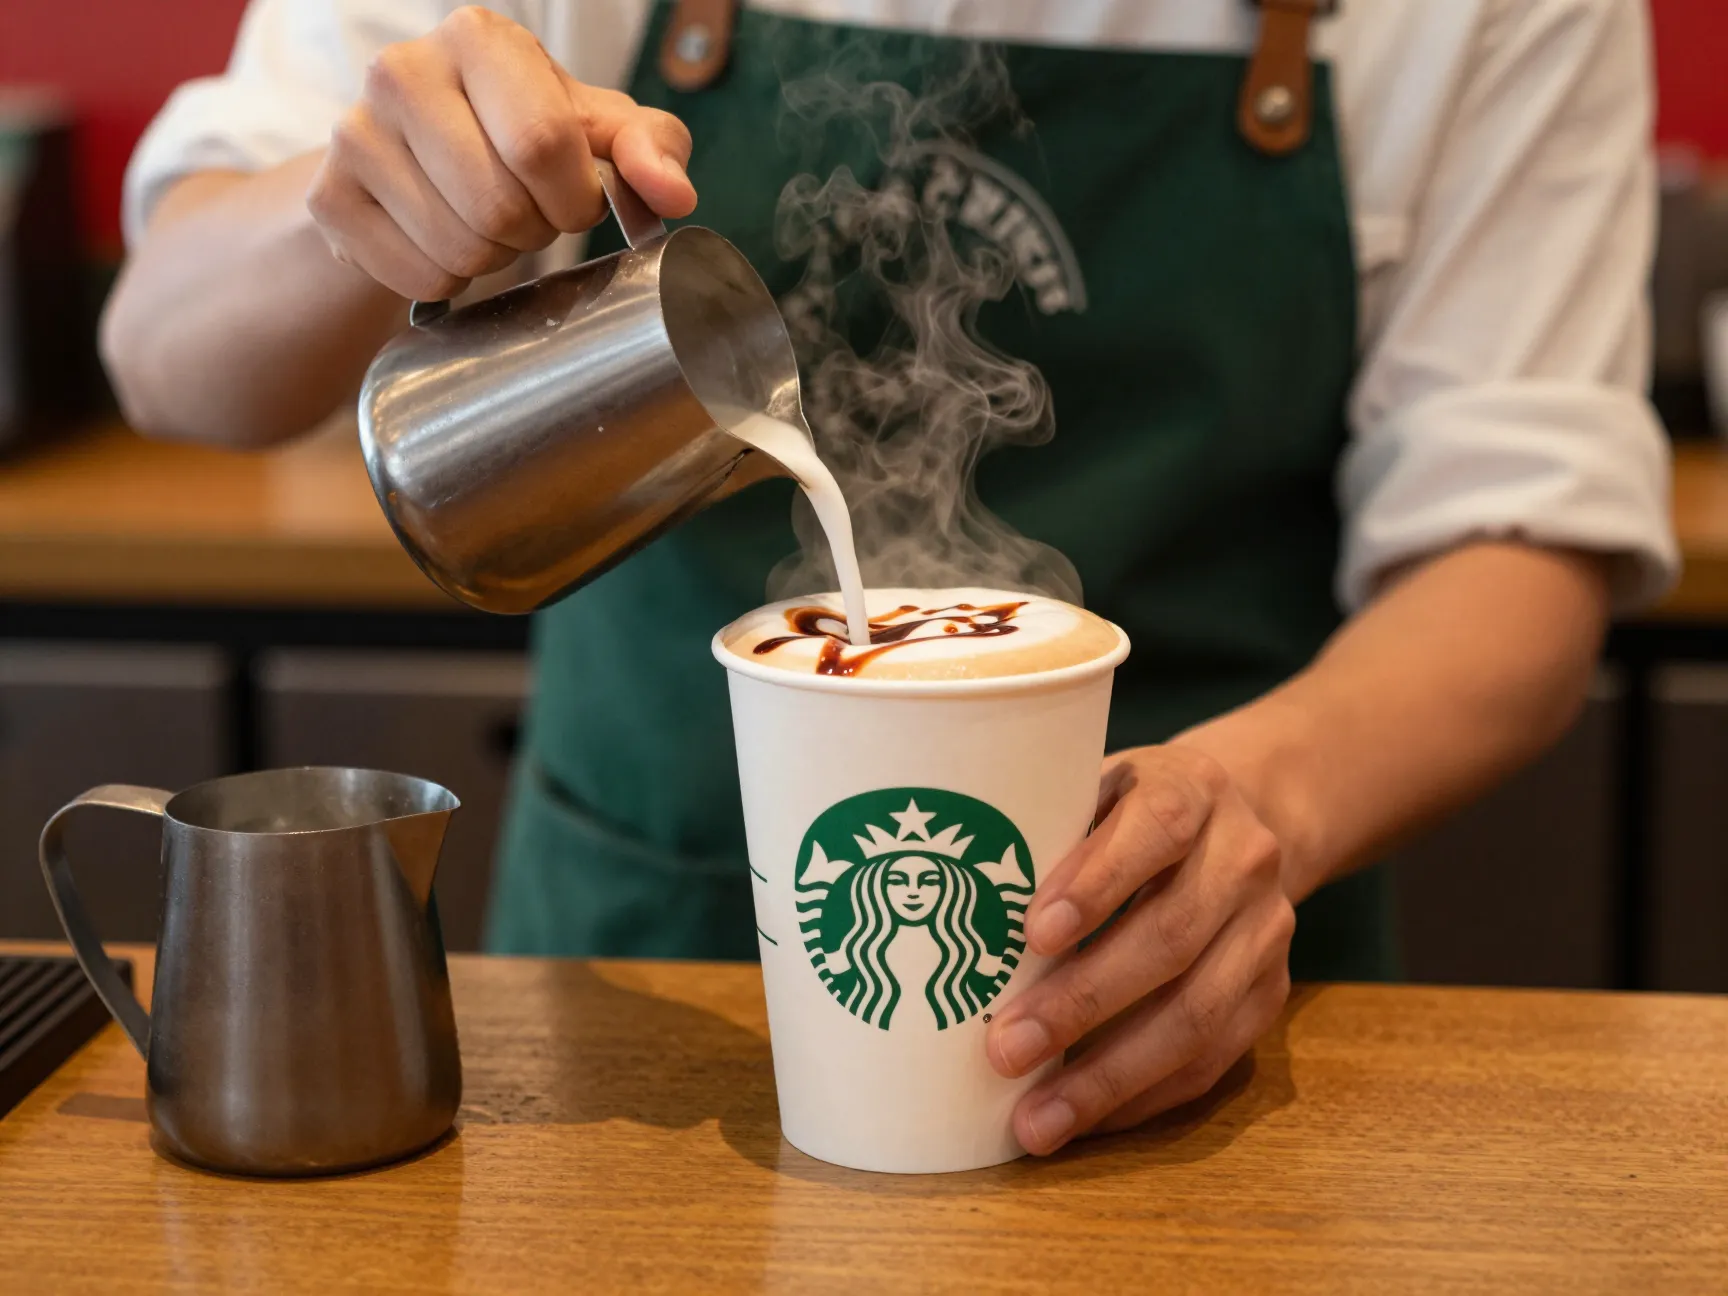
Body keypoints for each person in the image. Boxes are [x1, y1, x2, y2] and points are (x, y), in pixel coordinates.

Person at [101, 0, 1678, 1157]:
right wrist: (358, 217)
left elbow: (1516, 547)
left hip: (1190, 1018)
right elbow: (166, 355)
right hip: (622, 990)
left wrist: (1259, 809)